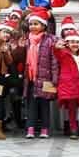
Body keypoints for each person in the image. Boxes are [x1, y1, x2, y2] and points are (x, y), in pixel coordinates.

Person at [22, 8, 58, 139]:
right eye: (31, 24)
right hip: (31, 77)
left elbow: (54, 61)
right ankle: (30, 128)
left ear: (43, 25)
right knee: (31, 104)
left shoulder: (50, 40)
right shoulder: (27, 40)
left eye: (36, 24)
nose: (33, 27)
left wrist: (54, 78)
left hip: (45, 77)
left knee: (44, 104)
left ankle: (45, 128)